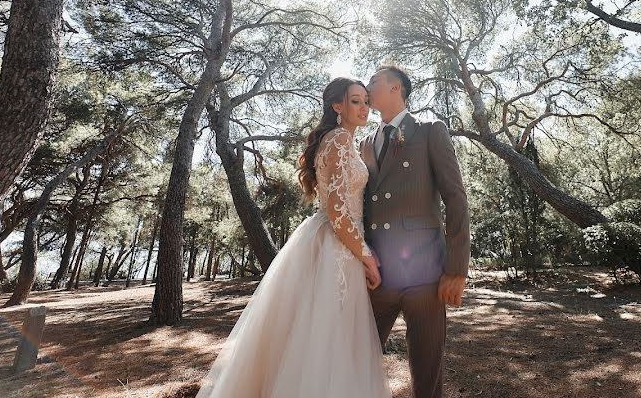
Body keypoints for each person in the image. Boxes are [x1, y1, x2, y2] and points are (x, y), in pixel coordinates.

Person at [196, 77, 391, 398]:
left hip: (336, 242)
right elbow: (338, 209)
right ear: (337, 106)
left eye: (366, 101)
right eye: (355, 101)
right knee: (328, 340)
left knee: (317, 338)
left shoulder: (342, 140)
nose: (364, 107)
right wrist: (368, 257)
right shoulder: (340, 139)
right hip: (338, 246)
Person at [362, 65, 471, 398]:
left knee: (426, 371)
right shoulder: (365, 142)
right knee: (357, 358)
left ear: (397, 88)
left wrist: (456, 269)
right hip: (377, 275)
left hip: (425, 275)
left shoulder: (429, 130)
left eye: (374, 82)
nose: (368, 87)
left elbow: (456, 198)